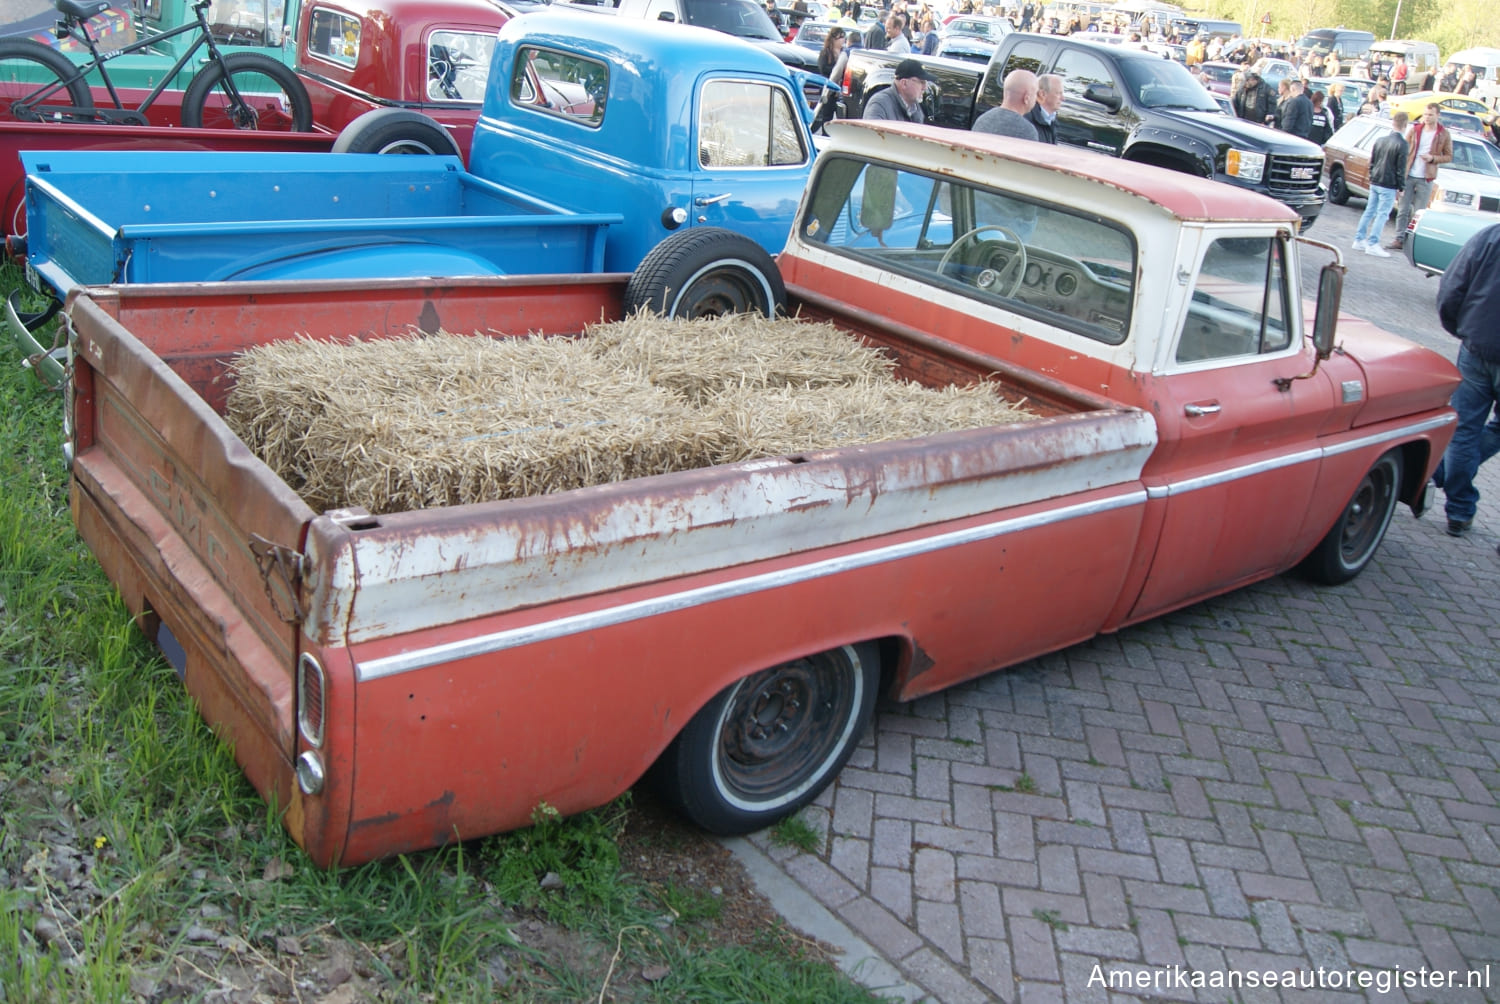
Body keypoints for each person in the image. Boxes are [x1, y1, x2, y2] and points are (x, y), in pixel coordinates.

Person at [1431, 222, 1500, 540]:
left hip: (1478, 346)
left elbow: (1452, 287)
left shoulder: (1491, 236)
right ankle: (1454, 494)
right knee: (1468, 432)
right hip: (1477, 345)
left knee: (1464, 431)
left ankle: (1455, 500)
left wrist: (1462, 329)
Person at [1389, 104, 1452, 250]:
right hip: (1409, 174)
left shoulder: (1443, 134)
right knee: (1403, 209)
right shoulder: (1415, 129)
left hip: (1426, 176)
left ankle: (1412, 242)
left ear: (1438, 115)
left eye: (1430, 114)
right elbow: (1404, 147)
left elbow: (1448, 156)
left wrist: (1433, 158)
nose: (1427, 117)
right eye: (1425, 114)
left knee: (1419, 212)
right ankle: (1399, 238)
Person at [1354, 111, 1408, 256]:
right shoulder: (1402, 144)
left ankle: (1359, 239)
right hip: (1388, 183)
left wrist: (1372, 175)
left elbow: (1373, 161)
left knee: (1369, 211)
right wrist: (1401, 187)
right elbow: (1400, 168)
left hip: (1376, 180)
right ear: (1405, 125)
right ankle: (1373, 243)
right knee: (1382, 214)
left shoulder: (1380, 140)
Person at [972, 68, 1039, 139]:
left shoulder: (983, 119)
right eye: (1035, 94)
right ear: (1026, 98)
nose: (1036, 98)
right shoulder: (1026, 131)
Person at [862, 58, 934, 122]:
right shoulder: (879, 104)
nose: (925, 88)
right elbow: (872, 135)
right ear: (904, 83)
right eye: (921, 82)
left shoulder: (915, 107)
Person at [1025, 72, 1062, 142]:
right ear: (1042, 94)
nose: (1063, 98)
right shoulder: (1026, 120)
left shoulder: (1050, 119)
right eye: (1058, 93)